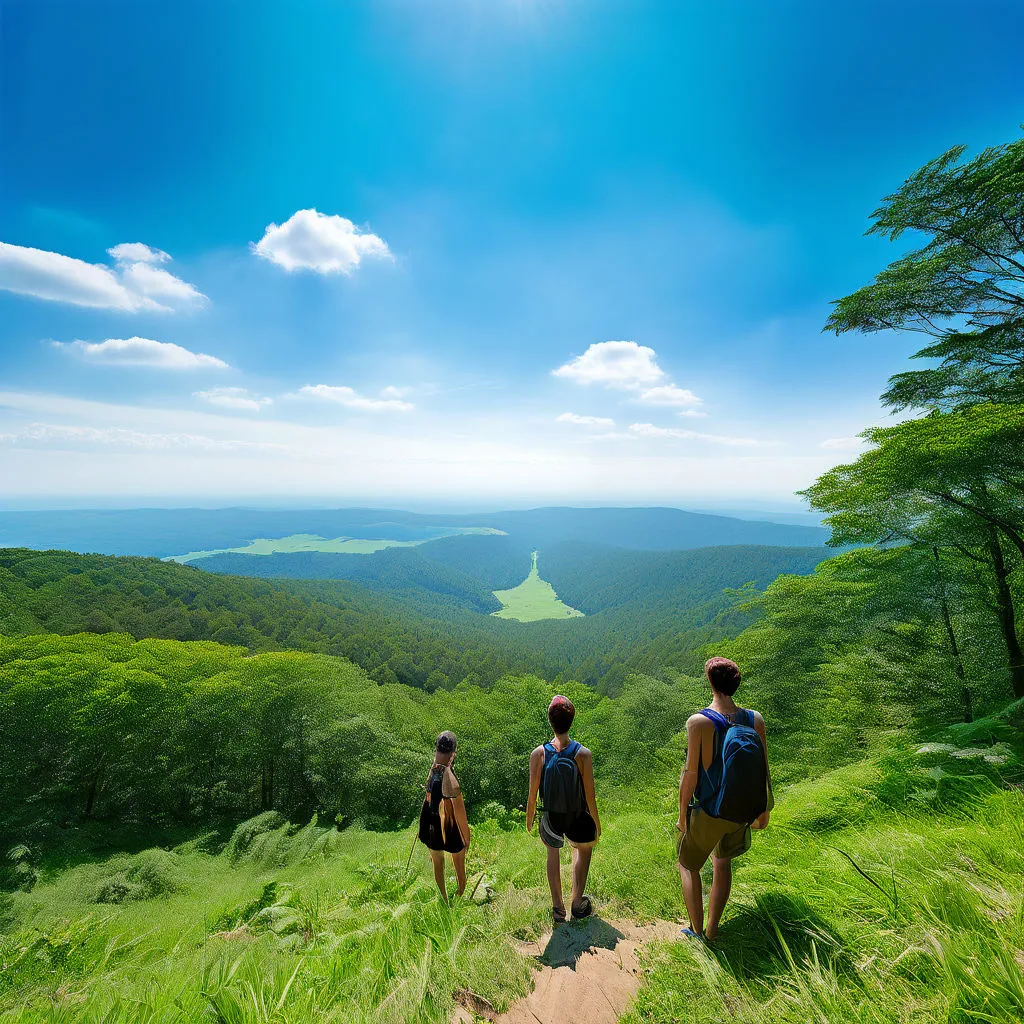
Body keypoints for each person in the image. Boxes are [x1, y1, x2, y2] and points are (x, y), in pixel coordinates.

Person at [676, 657, 773, 941]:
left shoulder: (699, 722)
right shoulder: (755, 719)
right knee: (722, 864)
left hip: (710, 811)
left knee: (688, 864)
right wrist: (764, 810)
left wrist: (683, 815)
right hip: (740, 809)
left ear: (710, 683)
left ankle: (696, 930)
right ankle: (714, 930)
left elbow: (690, 774)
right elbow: (764, 768)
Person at [526, 695, 601, 923]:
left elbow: (532, 793)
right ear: (571, 721)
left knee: (553, 855)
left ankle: (558, 909)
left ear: (550, 721)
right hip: (577, 815)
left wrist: (530, 819)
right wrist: (596, 823)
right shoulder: (583, 754)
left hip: (551, 818)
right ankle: (577, 903)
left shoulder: (539, 753)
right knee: (584, 848)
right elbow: (590, 796)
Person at [418, 730, 471, 901]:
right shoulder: (452, 781)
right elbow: (460, 815)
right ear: (453, 754)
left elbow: (427, 796)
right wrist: (467, 838)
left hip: (431, 820)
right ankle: (461, 891)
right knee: (458, 857)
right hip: (450, 824)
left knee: (437, 859)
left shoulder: (433, 770)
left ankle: (443, 897)